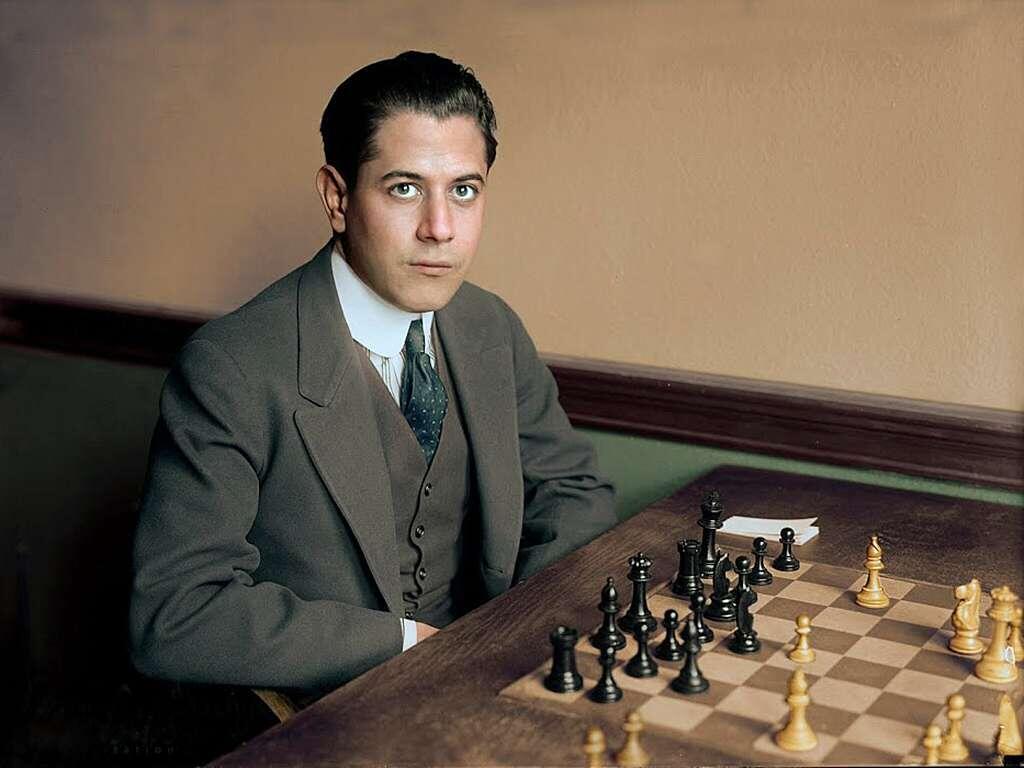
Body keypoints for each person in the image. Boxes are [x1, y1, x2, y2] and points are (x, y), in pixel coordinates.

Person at [128, 51, 616, 701]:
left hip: (492, 685)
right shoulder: (232, 366)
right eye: (404, 188)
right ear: (337, 197)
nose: (440, 229)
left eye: (464, 190)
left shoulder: (489, 326)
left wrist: (516, 630)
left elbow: (575, 491)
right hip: (333, 712)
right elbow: (175, 615)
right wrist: (409, 646)